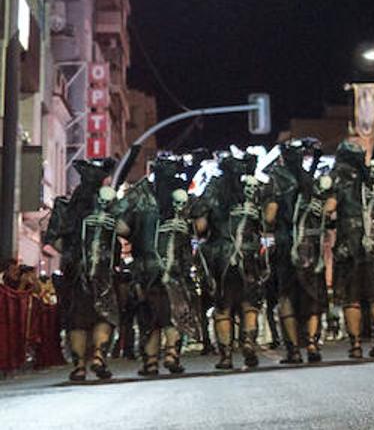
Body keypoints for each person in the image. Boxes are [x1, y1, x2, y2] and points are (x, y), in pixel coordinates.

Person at [43, 158, 121, 381]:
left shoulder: (66, 206)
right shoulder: (110, 207)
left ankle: (78, 367)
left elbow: (53, 241)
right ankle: (98, 357)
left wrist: (71, 251)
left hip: (75, 271)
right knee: (104, 315)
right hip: (103, 270)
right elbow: (124, 230)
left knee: (76, 320)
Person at [122, 154, 200, 376]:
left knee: (150, 319)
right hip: (174, 270)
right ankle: (171, 355)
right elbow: (200, 226)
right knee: (172, 315)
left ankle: (151, 362)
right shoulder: (182, 199)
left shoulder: (141, 197)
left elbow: (121, 227)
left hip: (147, 270)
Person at [192, 152, 272, 370]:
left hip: (221, 258)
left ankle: (226, 356)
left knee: (223, 308)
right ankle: (248, 343)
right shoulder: (251, 191)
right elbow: (266, 222)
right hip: (249, 256)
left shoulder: (213, 190)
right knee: (249, 305)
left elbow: (200, 227)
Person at [328, 142, 374, 359]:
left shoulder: (337, 179)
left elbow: (329, 208)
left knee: (351, 296)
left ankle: (356, 344)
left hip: (349, 242)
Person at [265, 137, 328, 364]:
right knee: (312, 295)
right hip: (309, 246)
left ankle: (293, 350)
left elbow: (270, 216)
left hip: (285, 246)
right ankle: (312, 344)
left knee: (286, 297)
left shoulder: (276, 179)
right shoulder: (310, 179)